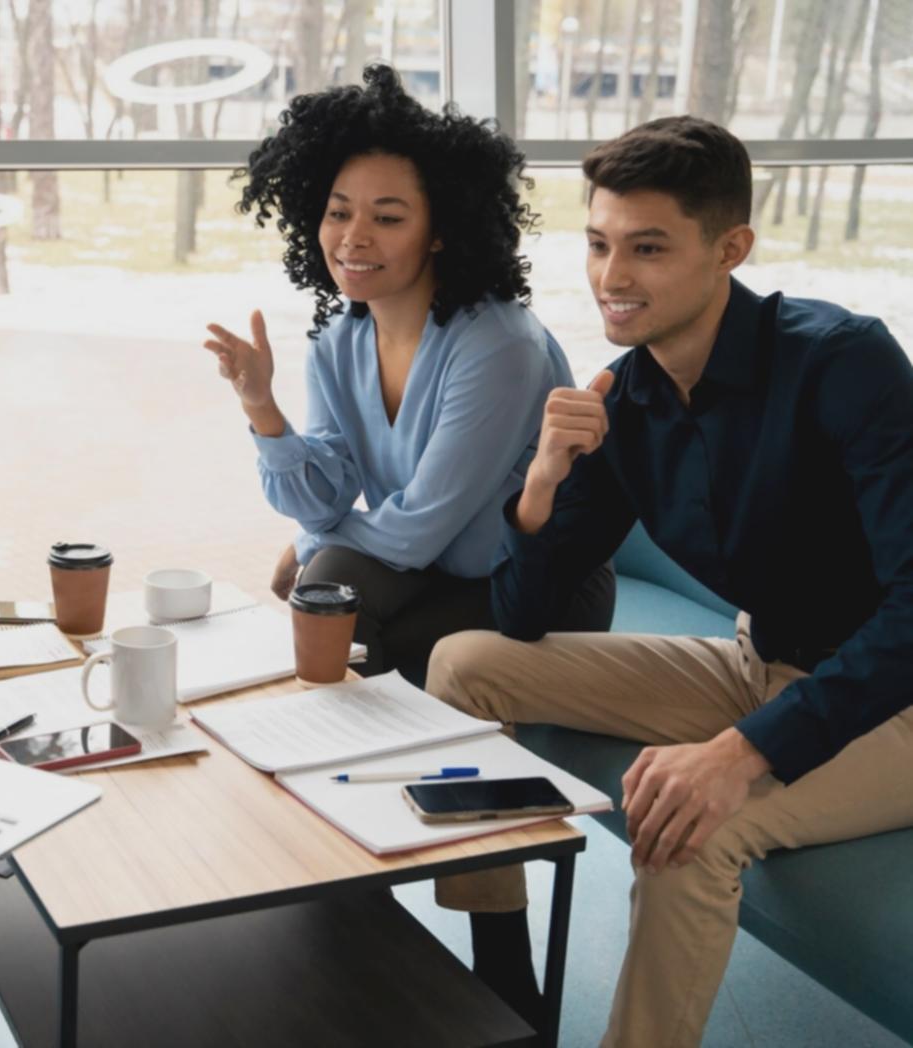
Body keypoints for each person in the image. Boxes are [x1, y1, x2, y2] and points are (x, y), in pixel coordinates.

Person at [425, 116, 913, 1047]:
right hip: (755, 661)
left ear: (730, 248)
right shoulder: (627, 395)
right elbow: (519, 616)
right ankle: (503, 989)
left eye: (647, 248)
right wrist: (538, 485)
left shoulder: (843, 363)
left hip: (892, 702)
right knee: (463, 662)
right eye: (600, 244)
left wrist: (740, 753)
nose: (612, 277)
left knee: (688, 836)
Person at [202, 64, 615, 689]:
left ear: (442, 232)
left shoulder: (498, 347)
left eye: (388, 219)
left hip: (535, 592)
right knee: (332, 595)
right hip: (431, 573)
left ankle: (348, 762)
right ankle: (329, 762)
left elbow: (417, 530)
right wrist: (261, 407)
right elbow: (328, 495)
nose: (353, 238)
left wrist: (310, 543)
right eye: (338, 213)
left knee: (330, 591)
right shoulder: (338, 339)